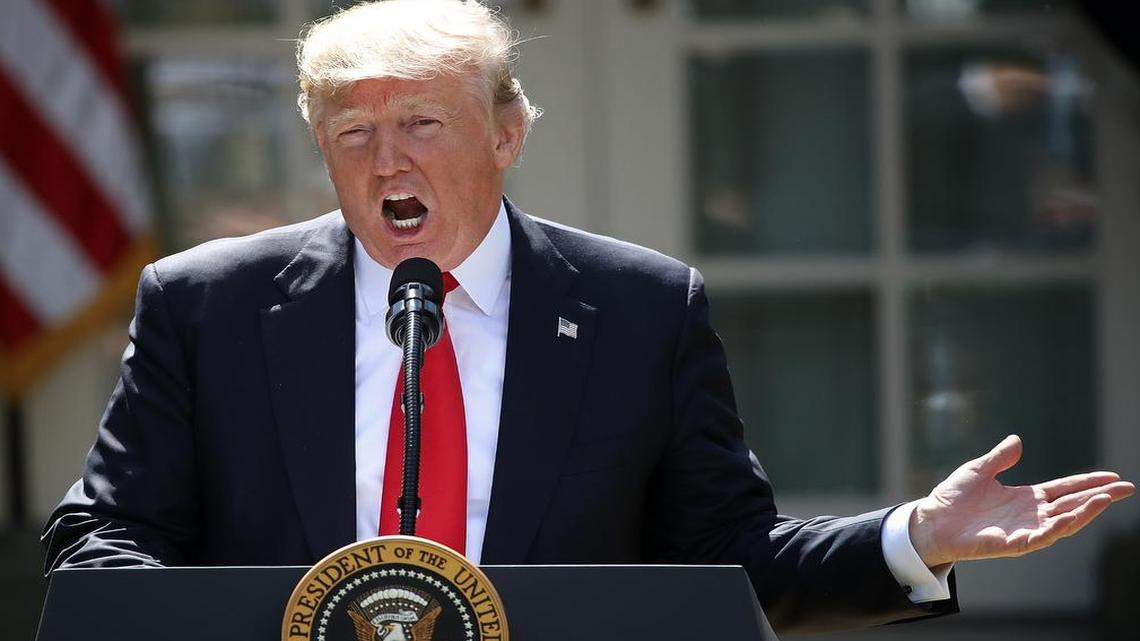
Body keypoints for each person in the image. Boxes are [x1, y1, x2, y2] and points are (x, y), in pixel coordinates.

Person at [41, 0, 1133, 634]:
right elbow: (104, 537)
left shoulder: (640, 306)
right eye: (353, 133)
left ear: (508, 134)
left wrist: (913, 538)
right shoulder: (208, 304)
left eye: (421, 121)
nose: (388, 159)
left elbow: (725, 555)